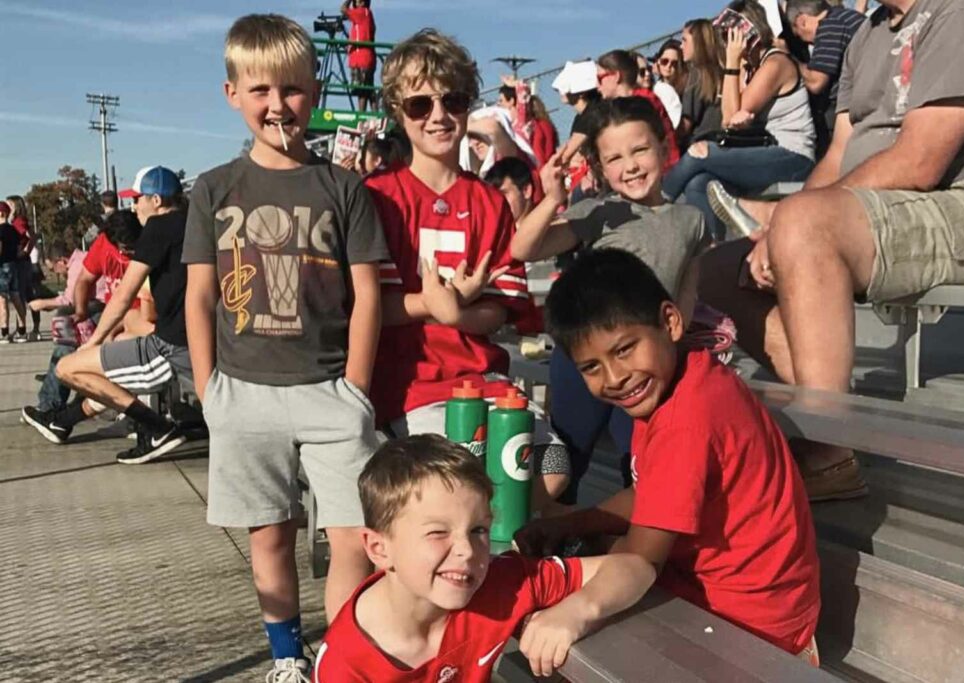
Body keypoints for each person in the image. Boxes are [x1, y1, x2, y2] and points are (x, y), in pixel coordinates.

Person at [701, 0, 964, 501]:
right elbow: (837, 154)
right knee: (718, 270)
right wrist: (777, 235)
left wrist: (792, 222)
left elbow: (921, 162)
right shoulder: (869, 36)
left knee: (803, 224)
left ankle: (827, 445)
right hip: (887, 203)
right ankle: (837, 416)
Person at [182, 14, 389, 680]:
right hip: (245, 390)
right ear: (232, 93)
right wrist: (209, 388)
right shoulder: (214, 188)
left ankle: (344, 653)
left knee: (353, 536)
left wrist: (355, 388)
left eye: (294, 90)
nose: (279, 105)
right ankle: (285, 656)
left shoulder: (344, 187)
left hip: (331, 390)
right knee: (270, 533)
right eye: (262, 90)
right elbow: (199, 298)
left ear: (314, 91)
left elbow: (367, 296)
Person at [516, 248, 821, 662]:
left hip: (750, 622)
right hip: (742, 595)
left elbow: (641, 561)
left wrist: (573, 612)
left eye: (624, 349)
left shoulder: (687, 417)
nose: (615, 378)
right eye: (591, 367)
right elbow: (652, 492)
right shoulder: (679, 378)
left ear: (670, 322)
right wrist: (570, 524)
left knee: (557, 611)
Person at [364, 28, 572, 515]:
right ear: (398, 111)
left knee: (554, 464)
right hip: (411, 390)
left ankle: (510, 549)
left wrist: (457, 316)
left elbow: (501, 309)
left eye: (452, 101)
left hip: (483, 379)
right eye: (420, 105)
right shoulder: (379, 198)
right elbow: (367, 308)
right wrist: (431, 306)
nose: (438, 116)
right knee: (465, 476)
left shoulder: (488, 202)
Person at [313, 434, 656, 681]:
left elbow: (635, 569)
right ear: (378, 549)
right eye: (437, 532)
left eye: (478, 530)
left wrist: (576, 611)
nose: (467, 550)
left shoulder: (498, 584)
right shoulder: (345, 666)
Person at [511, 97, 707, 502]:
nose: (630, 165)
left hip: (643, 362)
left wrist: (674, 346)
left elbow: (685, 295)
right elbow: (523, 249)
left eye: (639, 150)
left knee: (637, 464)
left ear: (664, 148)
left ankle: (626, 546)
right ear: (599, 169)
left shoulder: (692, 221)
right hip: (582, 357)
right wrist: (551, 199)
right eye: (614, 158)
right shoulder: (598, 211)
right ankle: (551, 541)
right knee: (569, 453)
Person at [25, 167, 193, 465]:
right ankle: (66, 419)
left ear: (156, 199)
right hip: (194, 339)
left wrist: (95, 341)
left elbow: (123, 295)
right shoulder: (195, 224)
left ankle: (156, 428)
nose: (134, 206)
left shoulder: (159, 227)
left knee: (68, 367)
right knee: (113, 350)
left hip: (170, 347)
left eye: (138, 198)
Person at [663, 1, 816, 241]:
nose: (724, 43)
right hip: (768, 150)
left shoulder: (776, 63)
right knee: (699, 183)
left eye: (728, 35)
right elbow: (731, 117)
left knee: (696, 155)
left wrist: (733, 63)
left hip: (793, 157)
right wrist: (738, 67)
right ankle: (712, 250)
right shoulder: (753, 67)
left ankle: (655, 207)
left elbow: (727, 117)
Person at [786, 0, 866, 154]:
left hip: (850, 112)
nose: (807, 42)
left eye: (798, 35)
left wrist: (786, 57)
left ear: (801, 21)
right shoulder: (845, 17)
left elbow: (816, 82)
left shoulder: (831, 25)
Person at [595, 49, 680, 167]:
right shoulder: (618, 107)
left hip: (665, 169)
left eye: (600, 78)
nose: (597, 85)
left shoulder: (644, 101)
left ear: (616, 76)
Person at [678, 19, 726, 148]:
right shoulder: (724, 71)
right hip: (723, 142)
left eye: (684, 40)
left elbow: (686, 124)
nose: (681, 46)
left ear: (697, 41)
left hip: (700, 146)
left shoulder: (697, 74)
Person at [0, 201, 28, 344]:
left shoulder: (1, 230)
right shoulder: (13, 230)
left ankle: (4, 332)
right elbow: (19, 248)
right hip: (13, 265)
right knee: (16, 298)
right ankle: (22, 330)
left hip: (2, 266)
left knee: (2, 300)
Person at [342, 0, 377, 112]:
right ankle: (373, 113)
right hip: (362, 57)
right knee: (366, 88)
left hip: (362, 58)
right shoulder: (365, 14)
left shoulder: (362, 12)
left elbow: (343, 9)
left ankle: (361, 115)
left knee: (363, 89)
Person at [483, 156, 537, 224]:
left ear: (526, 191)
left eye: (503, 194)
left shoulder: (552, 231)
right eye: (492, 197)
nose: (497, 202)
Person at [651, 40, 685, 129]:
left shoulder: (687, 89)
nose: (668, 66)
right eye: (664, 61)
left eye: (674, 63)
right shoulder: (657, 90)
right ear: (658, 61)